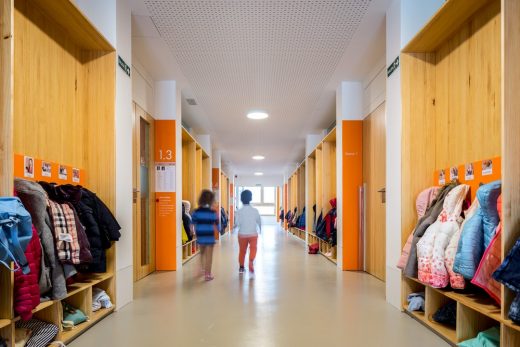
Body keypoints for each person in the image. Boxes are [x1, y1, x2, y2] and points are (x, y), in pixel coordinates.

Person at [192, 190, 218, 281]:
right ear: (211, 200)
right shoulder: (212, 212)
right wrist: (218, 229)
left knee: (202, 253)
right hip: (209, 236)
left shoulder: (196, 212)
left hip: (200, 235)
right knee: (209, 256)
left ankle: (202, 269)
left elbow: (192, 223)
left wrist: (193, 233)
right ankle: (208, 274)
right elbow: (216, 224)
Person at [235, 190, 261, 274]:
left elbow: (237, 223)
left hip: (242, 234)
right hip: (253, 233)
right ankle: (251, 261)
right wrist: (260, 230)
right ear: (251, 198)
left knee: (242, 251)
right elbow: (259, 221)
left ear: (241, 199)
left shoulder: (239, 211)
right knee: (253, 248)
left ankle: (241, 268)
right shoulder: (255, 210)